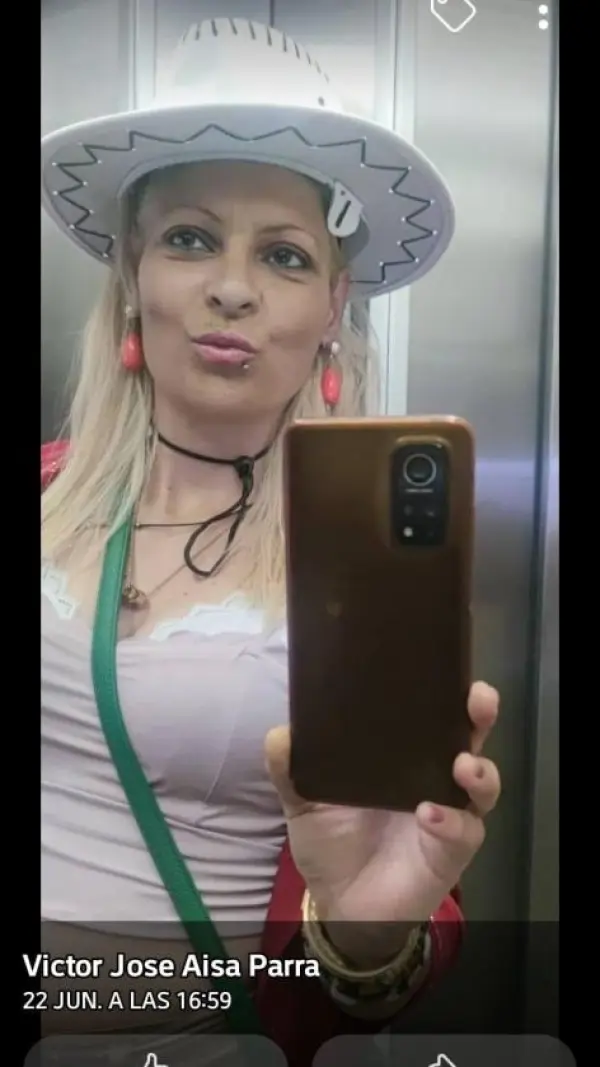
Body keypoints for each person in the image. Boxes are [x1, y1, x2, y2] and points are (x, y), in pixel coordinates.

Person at [41, 17, 501, 1067]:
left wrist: (364, 932)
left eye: (284, 254)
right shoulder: (44, 494)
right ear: (132, 271)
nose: (233, 287)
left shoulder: (368, 571)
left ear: (333, 305)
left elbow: (388, 924)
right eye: (190, 238)